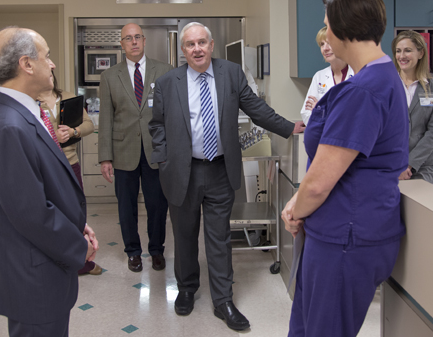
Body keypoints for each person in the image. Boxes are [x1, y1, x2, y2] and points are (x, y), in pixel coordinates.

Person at [149, 22, 305, 331]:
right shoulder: (168, 82)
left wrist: (289, 126)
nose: (197, 49)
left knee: (219, 237)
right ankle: (187, 289)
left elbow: (256, 108)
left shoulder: (231, 73)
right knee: (184, 235)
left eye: (202, 43)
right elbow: (156, 125)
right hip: (182, 171)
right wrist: (163, 157)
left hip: (220, 169)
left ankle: (223, 300)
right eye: (190, 44)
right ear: (183, 50)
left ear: (211, 45)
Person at [282, 0, 408, 337]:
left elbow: (321, 183)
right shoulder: (383, 77)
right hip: (344, 231)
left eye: (328, 24)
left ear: (341, 30)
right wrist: (298, 203)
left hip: (346, 237)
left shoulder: (362, 91)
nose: (326, 34)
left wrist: (296, 210)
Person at [0, 26, 98, 336]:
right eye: (47, 56)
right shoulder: (8, 127)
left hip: (41, 270)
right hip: (33, 277)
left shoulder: (24, 114)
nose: (52, 64)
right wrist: (78, 245)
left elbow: (41, 187)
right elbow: (31, 213)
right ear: (27, 64)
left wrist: (76, 224)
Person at [98, 23, 173, 272]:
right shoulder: (110, 77)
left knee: (157, 205)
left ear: (144, 40)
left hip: (156, 152)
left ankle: (156, 250)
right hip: (123, 152)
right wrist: (105, 158)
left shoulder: (164, 71)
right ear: (121, 44)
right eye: (128, 38)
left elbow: (172, 115)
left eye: (137, 37)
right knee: (126, 207)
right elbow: (106, 119)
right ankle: (132, 251)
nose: (133, 42)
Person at [39, 71, 102, 275]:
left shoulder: (68, 98)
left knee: (75, 213)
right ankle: (54, 260)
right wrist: (53, 136)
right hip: (45, 167)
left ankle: (81, 260)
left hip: (70, 163)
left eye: (50, 72)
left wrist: (73, 132)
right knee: (52, 214)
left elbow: (89, 125)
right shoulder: (31, 103)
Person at [392, 30, 433, 183]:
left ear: (421, 53)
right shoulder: (388, 85)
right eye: (398, 51)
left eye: (408, 50)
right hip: (390, 165)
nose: (402, 56)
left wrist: (410, 164)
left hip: (421, 166)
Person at [300, 26, 354, 125]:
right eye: (322, 44)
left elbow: (355, 116)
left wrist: (321, 111)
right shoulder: (319, 76)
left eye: (329, 43)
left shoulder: (357, 74)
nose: (325, 48)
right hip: (323, 138)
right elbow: (306, 115)